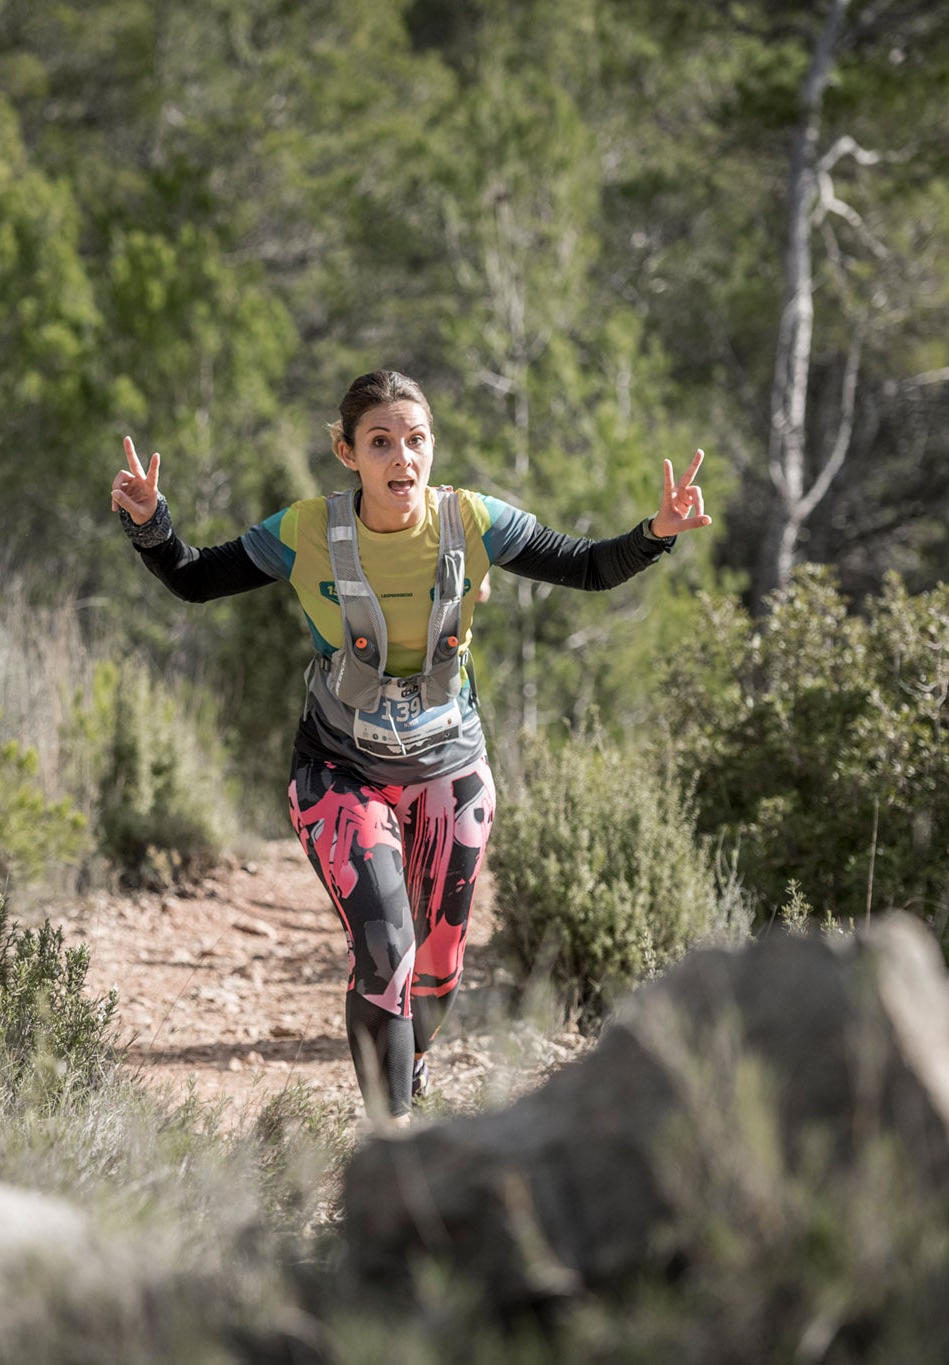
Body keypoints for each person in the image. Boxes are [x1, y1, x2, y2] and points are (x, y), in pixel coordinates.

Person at [110, 369, 713, 1124]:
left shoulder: (471, 521)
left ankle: (413, 1062)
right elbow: (197, 580)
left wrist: (656, 533)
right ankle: (389, 1142)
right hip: (339, 766)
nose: (404, 457)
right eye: (382, 442)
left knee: (436, 964)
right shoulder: (306, 530)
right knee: (386, 946)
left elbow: (588, 566)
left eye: (417, 439)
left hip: (449, 764)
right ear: (347, 452)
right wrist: (151, 525)